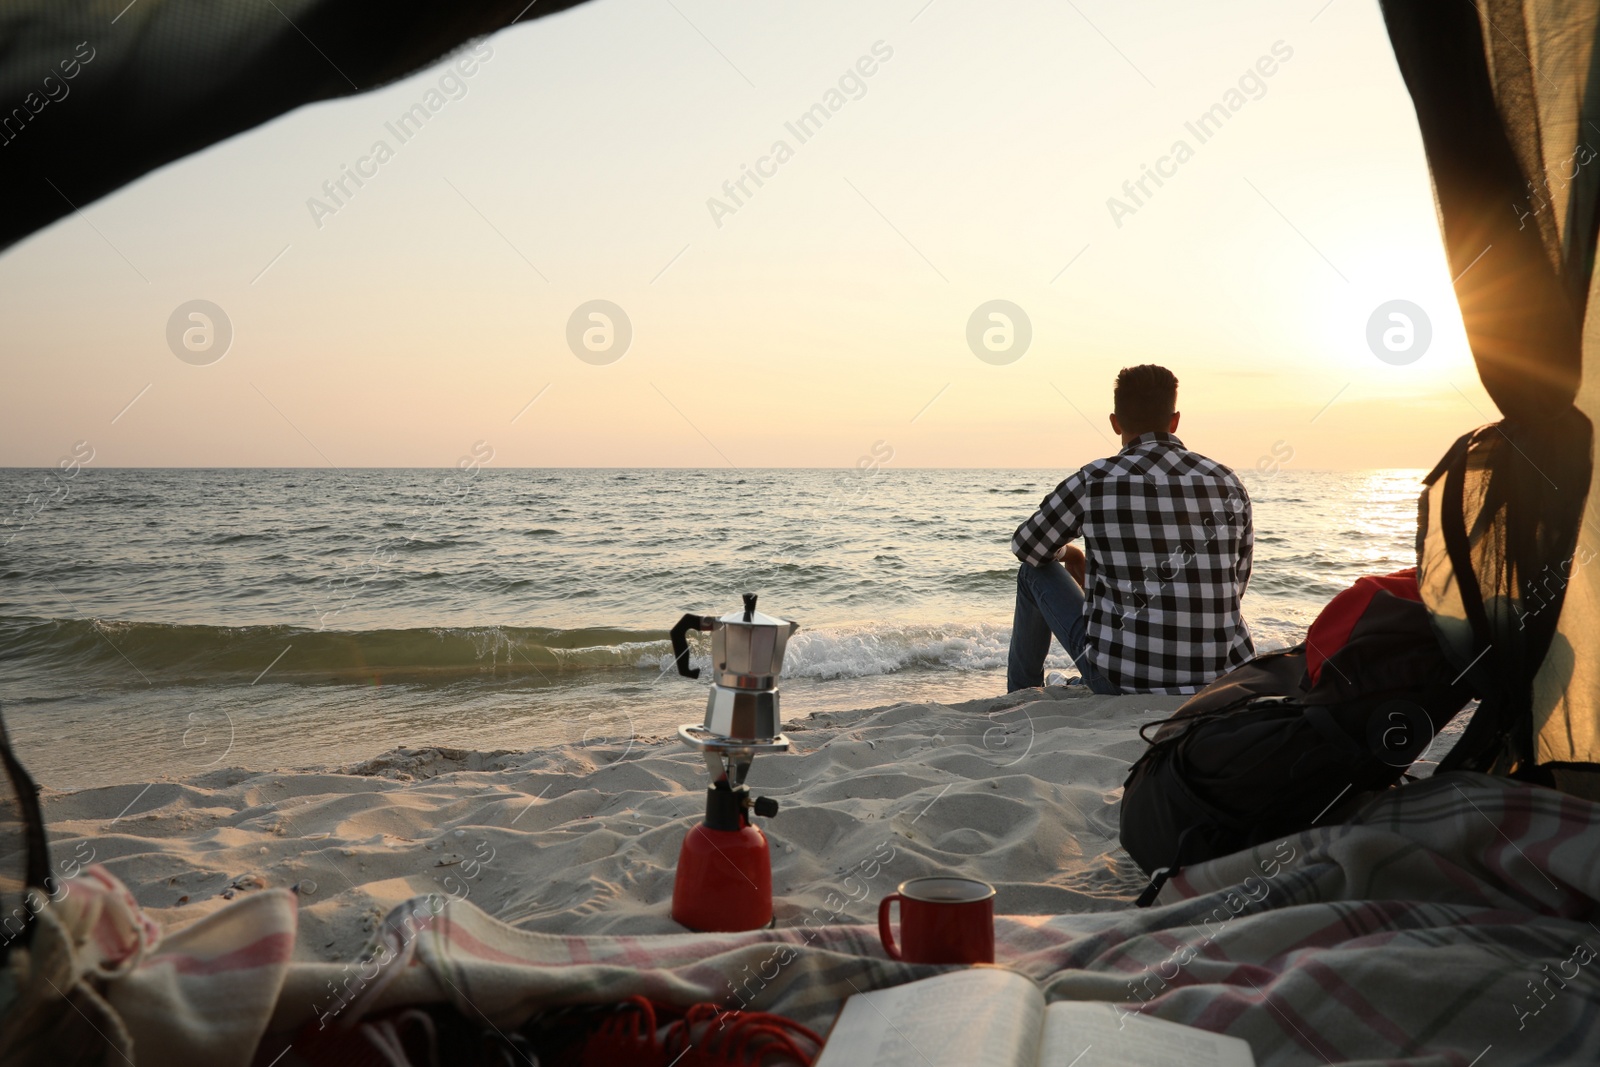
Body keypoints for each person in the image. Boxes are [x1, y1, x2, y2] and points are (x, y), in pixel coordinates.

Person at [1007, 365, 1254, 695]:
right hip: (1221, 677)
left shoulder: (1094, 480)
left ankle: (1022, 693)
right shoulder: (1227, 483)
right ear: (1175, 420)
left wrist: (1070, 552)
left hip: (1121, 680)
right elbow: (1236, 585)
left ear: (1115, 422)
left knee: (1031, 573)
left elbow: (1026, 546)